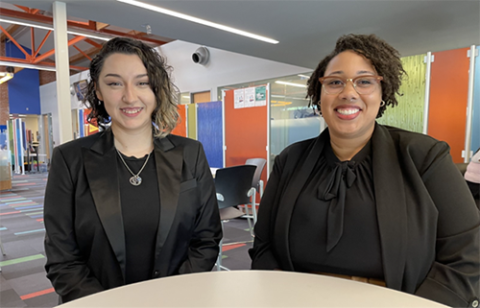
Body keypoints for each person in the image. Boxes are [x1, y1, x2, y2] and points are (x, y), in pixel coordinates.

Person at [250, 34, 480, 308]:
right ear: (318, 94)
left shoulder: (424, 156)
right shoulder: (291, 159)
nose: (348, 92)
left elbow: (466, 254)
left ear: (383, 94)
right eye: (335, 82)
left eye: (364, 81)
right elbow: (263, 244)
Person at [44, 37, 222, 303]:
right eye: (115, 83)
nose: (130, 96)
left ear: (157, 89)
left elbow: (206, 239)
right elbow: (62, 258)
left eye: (142, 82)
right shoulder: (69, 160)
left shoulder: (190, 153)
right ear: (99, 91)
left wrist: (172, 299)